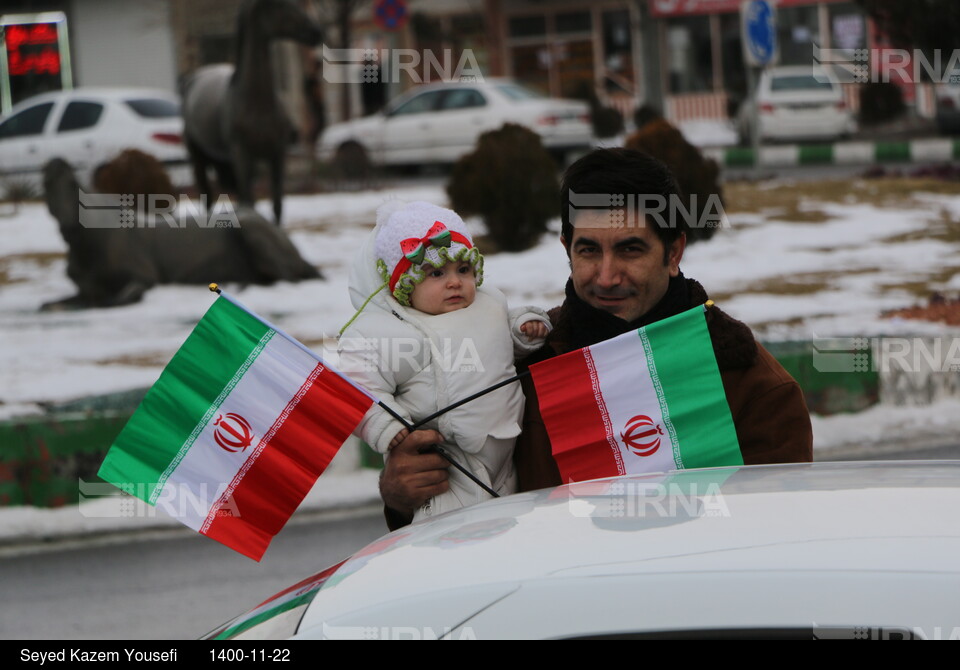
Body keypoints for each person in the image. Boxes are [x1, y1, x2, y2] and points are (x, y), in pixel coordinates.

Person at [378, 149, 814, 527]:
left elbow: (777, 542)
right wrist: (402, 497)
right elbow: (458, 525)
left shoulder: (750, 384)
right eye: (589, 250)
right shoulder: (515, 366)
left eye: (630, 249)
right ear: (566, 246)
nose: (606, 276)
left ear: (674, 251)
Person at [339, 200, 550, 522]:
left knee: (510, 521)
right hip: (448, 460)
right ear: (404, 288)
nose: (454, 282)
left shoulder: (488, 305)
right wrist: (384, 425)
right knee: (454, 526)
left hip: (506, 449)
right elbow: (355, 386)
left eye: (463, 270)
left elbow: (502, 349)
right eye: (436, 273)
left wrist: (524, 332)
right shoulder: (388, 333)